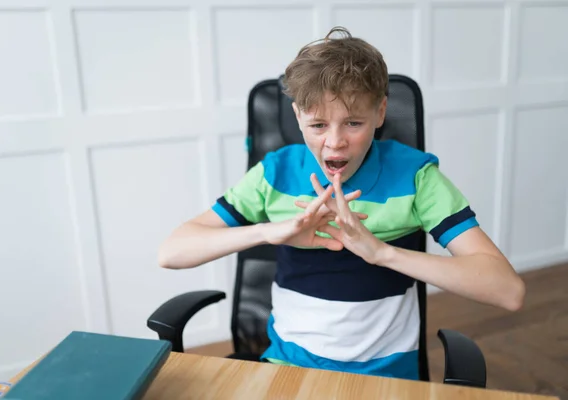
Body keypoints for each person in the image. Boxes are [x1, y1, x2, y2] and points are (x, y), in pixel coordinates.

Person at [157, 26, 525, 380]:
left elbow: (508, 291)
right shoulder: (273, 174)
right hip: (285, 368)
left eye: (353, 123)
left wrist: (381, 252)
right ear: (298, 115)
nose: (335, 143)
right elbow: (172, 252)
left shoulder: (417, 178)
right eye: (318, 125)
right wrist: (273, 232)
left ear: (380, 113)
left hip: (384, 380)